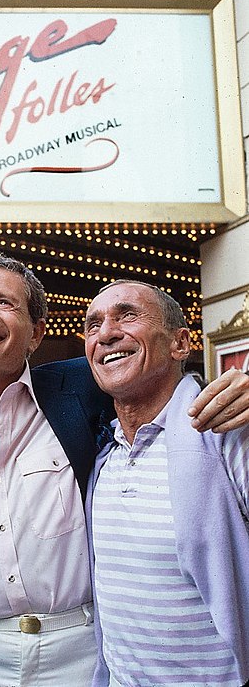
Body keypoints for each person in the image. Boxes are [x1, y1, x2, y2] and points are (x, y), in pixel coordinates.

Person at [0, 251, 249, 687]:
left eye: (3, 302)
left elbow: (150, 379)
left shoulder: (80, 390)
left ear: (37, 334)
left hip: (83, 654)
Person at [83, 280, 249, 687]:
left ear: (180, 343)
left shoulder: (228, 434)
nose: (106, 333)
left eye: (127, 315)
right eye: (93, 325)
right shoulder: (103, 454)